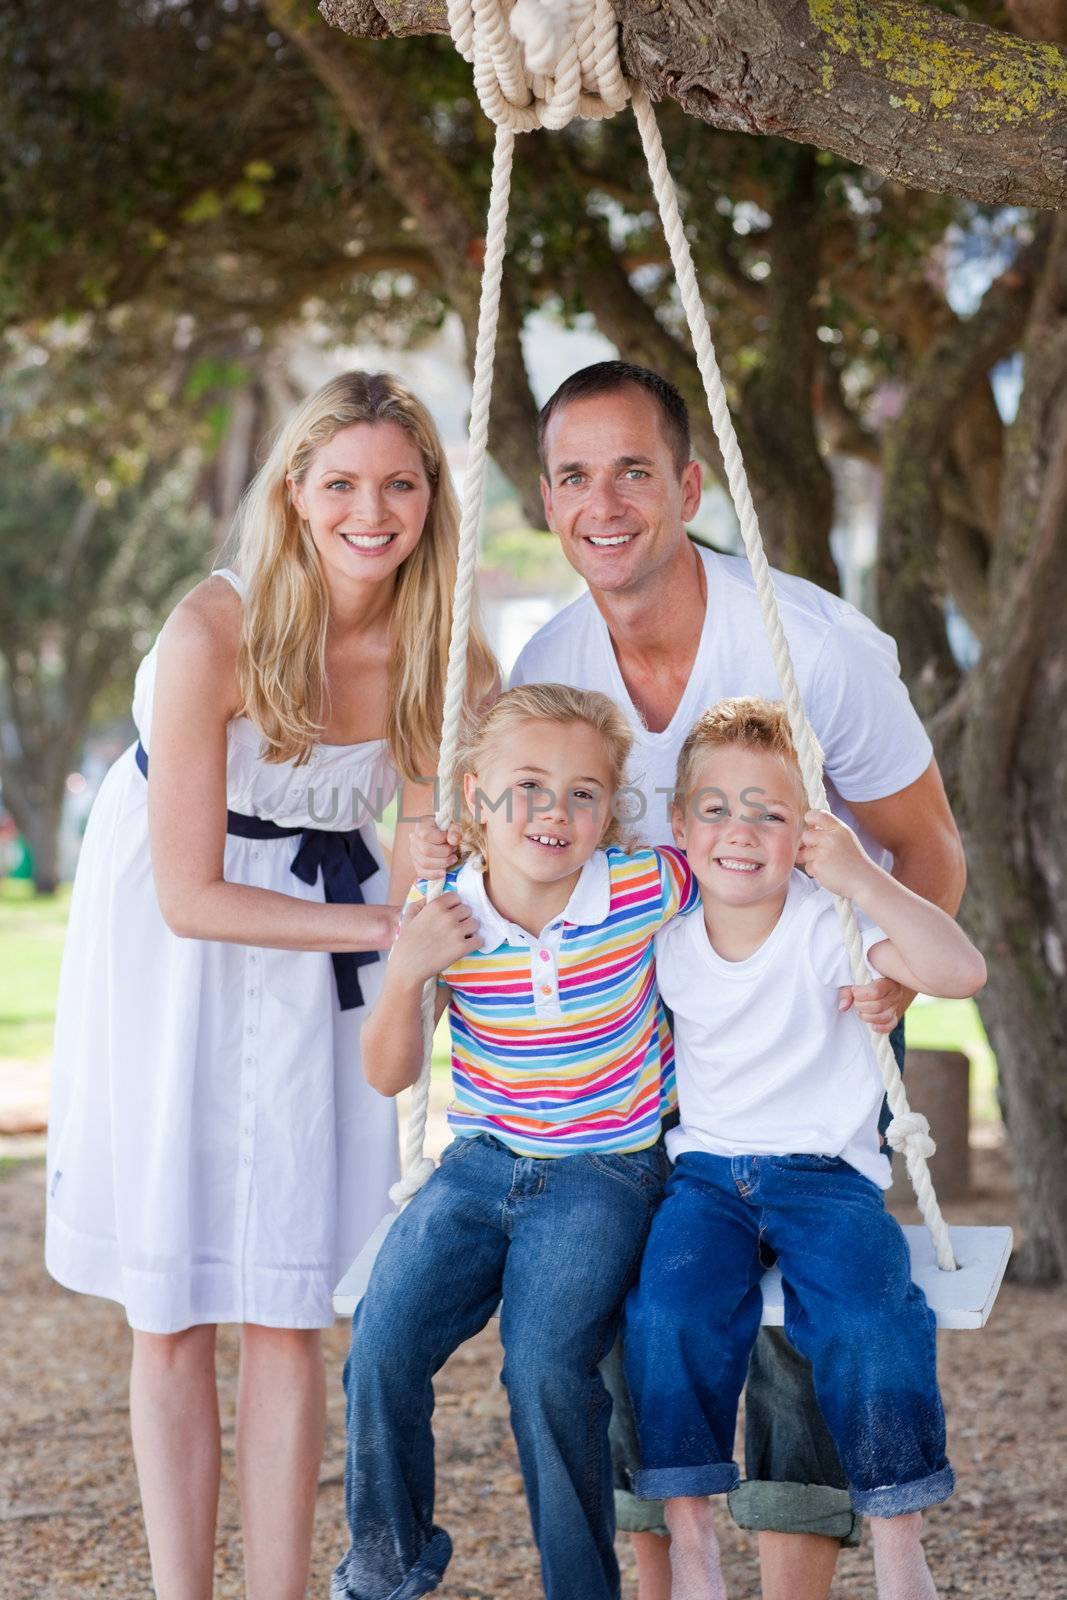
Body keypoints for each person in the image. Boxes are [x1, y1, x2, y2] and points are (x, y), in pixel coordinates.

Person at [417, 360, 968, 1600]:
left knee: (804, 1340)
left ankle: (804, 1577)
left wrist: (892, 991)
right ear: (545, 499)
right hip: (637, 1067)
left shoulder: (809, 647)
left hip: (805, 1038)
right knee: (642, 1315)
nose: (600, 502)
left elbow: (927, 847)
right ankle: (674, 1570)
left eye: (630, 470)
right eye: (571, 475)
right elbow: (534, 854)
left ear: (686, 484)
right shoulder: (551, 660)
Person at [44, 371, 495, 1600]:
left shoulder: (443, 647)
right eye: (340, 482)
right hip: (173, 956)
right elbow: (190, 894)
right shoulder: (214, 632)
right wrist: (386, 925)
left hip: (327, 971)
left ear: (430, 498)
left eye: (399, 483)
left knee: (292, 1297)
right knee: (176, 1297)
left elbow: (442, 822)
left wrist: (432, 852)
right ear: (294, 494)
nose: (372, 508)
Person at [333, 684, 699, 1600]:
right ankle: (386, 1568)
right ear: (474, 797)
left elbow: (748, 872)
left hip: (605, 1172)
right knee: (380, 1343)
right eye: (526, 785)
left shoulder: (641, 887)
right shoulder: (442, 909)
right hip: (478, 1165)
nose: (555, 811)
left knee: (543, 1367)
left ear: (610, 811)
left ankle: (580, 1588)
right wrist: (408, 967)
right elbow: (388, 1075)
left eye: (584, 793)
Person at [624, 697, 986, 1600]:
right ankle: (692, 1528)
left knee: (870, 1315)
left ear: (806, 834)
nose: (738, 831)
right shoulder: (662, 932)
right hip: (704, 1178)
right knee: (666, 1313)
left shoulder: (832, 922)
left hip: (825, 1179)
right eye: (714, 808)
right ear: (679, 823)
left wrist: (862, 880)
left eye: (770, 813)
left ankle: (896, 1530)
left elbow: (959, 973)